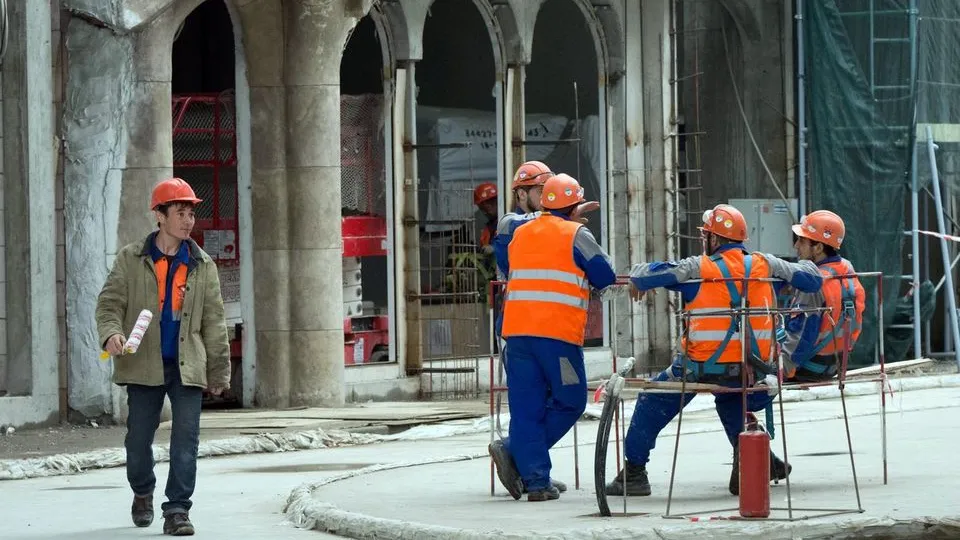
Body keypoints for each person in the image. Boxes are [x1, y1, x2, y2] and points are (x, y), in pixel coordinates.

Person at [606, 203, 823, 497]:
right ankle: (757, 461)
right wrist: (809, 264)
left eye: (706, 235)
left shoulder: (699, 268)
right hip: (753, 372)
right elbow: (811, 279)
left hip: (702, 367)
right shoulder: (766, 264)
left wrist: (636, 279)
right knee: (731, 400)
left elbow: (648, 274)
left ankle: (633, 474)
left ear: (714, 239)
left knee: (651, 401)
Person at [96, 177, 230, 536]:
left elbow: (215, 322)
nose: (188, 221)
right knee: (138, 439)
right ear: (159, 215)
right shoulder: (131, 258)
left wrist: (219, 372)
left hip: (187, 365)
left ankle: (177, 510)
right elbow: (109, 304)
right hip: (143, 365)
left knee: (186, 438)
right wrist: (111, 333)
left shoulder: (202, 265)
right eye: (180, 213)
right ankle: (142, 490)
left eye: (191, 214)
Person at [487, 174, 618, 502]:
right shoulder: (577, 234)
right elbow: (605, 274)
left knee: (526, 408)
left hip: (517, 334)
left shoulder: (520, 232)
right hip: (556, 336)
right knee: (571, 401)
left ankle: (536, 480)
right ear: (574, 207)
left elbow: (508, 256)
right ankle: (514, 452)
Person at [780, 210, 866, 381]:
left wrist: (780, 369)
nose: (796, 246)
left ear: (818, 247)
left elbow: (801, 337)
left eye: (802, 241)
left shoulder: (813, 283)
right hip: (836, 363)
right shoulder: (847, 270)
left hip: (809, 366)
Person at [473, 182, 499, 253]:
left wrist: (495, 248)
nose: (485, 212)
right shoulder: (488, 227)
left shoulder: (508, 222)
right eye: (482, 208)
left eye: (491, 203)